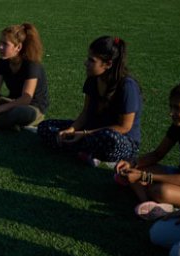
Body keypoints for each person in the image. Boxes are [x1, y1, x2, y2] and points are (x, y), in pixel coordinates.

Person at [38, 36, 142, 167]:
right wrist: (71, 129)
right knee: (45, 127)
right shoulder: (92, 79)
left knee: (109, 138)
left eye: (91, 60)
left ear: (108, 64)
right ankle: (85, 151)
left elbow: (124, 127)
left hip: (119, 139)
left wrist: (85, 133)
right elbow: (85, 113)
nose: (86, 63)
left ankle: (83, 150)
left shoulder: (127, 86)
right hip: (89, 131)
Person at [115, 83, 180, 220]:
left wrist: (144, 176)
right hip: (178, 175)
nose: (171, 113)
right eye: (171, 107)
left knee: (161, 191)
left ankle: (156, 203)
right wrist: (132, 163)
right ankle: (150, 205)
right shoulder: (178, 126)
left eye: (177, 108)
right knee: (134, 170)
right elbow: (157, 154)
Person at [0, 23, 48, 129]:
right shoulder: (3, 62)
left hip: (32, 108)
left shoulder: (31, 65)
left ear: (18, 47)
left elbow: (25, 99)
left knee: (18, 112)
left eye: (5, 44)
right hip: (12, 102)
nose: (0, 47)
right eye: (0, 42)